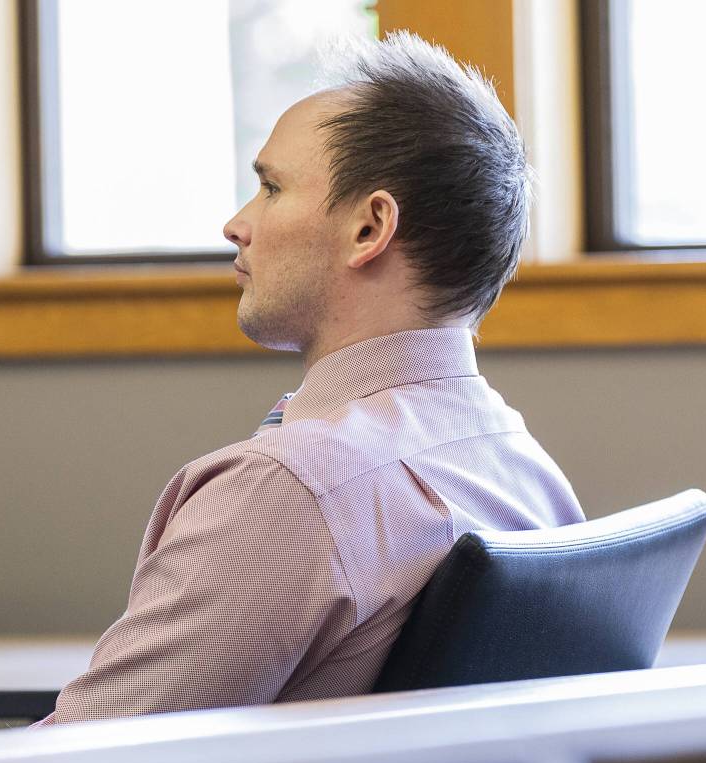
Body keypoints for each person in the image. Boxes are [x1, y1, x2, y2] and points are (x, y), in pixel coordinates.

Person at [33, 30, 584, 727]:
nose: (236, 224)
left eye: (270, 187)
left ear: (369, 227)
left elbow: (80, 756)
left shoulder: (295, 490)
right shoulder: (520, 464)